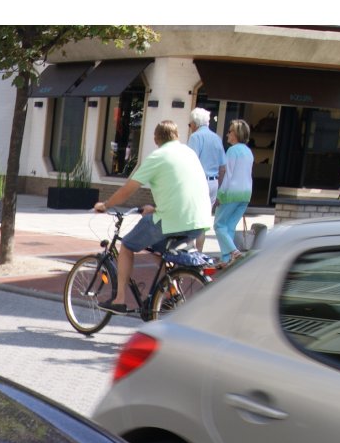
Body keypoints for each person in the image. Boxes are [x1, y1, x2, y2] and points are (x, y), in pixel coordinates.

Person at [92, 119, 212, 313]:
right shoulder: (189, 153)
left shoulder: (157, 156)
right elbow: (181, 190)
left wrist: (105, 205)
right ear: (177, 136)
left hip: (173, 221)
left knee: (128, 245)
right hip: (199, 222)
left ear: (156, 139)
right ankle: (172, 292)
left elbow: (128, 189)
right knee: (158, 250)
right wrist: (156, 208)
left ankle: (119, 299)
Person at [213, 119, 254, 264]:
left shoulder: (232, 151)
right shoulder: (248, 152)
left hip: (231, 194)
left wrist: (220, 195)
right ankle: (226, 260)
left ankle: (233, 252)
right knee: (229, 226)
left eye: (230, 131)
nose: (227, 134)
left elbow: (228, 175)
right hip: (246, 194)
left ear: (236, 134)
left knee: (218, 225)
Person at [187, 108, 224, 252]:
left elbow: (190, 162)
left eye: (190, 124)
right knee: (203, 220)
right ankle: (200, 252)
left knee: (192, 217)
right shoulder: (217, 138)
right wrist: (219, 187)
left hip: (199, 182)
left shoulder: (195, 137)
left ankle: (190, 250)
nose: (190, 128)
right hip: (213, 182)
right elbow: (223, 167)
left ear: (195, 123)